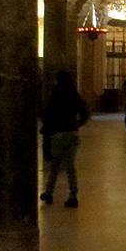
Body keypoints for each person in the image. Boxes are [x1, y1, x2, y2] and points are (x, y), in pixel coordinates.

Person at [40, 71, 90, 208]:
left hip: (58, 134)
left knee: (55, 166)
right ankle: (73, 195)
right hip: (72, 134)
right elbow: (85, 113)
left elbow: (47, 115)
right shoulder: (74, 94)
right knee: (70, 166)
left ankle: (49, 192)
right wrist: (76, 125)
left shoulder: (55, 94)